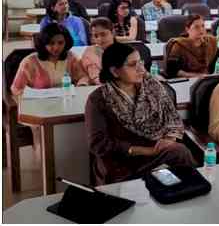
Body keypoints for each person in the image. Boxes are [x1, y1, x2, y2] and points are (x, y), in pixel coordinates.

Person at [85, 42, 195, 185]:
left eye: (141, 63)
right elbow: (99, 144)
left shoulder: (153, 87)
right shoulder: (99, 99)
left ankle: (190, 192)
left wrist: (168, 140)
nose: (141, 69)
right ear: (114, 71)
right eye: (132, 65)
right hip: (121, 161)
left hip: (156, 154)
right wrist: (147, 151)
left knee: (180, 152)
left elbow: (172, 120)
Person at [11, 23, 89, 96]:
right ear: (43, 43)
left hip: (66, 102)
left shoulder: (71, 57)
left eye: (60, 43)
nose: (56, 48)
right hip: (39, 106)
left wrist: (81, 85)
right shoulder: (29, 62)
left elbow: (83, 77)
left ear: (66, 42)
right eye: (51, 43)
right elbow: (16, 89)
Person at [81, 17, 116, 85]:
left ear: (113, 33)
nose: (100, 39)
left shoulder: (125, 52)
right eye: (96, 36)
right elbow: (96, 77)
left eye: (103, 34)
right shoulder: (90, 53)